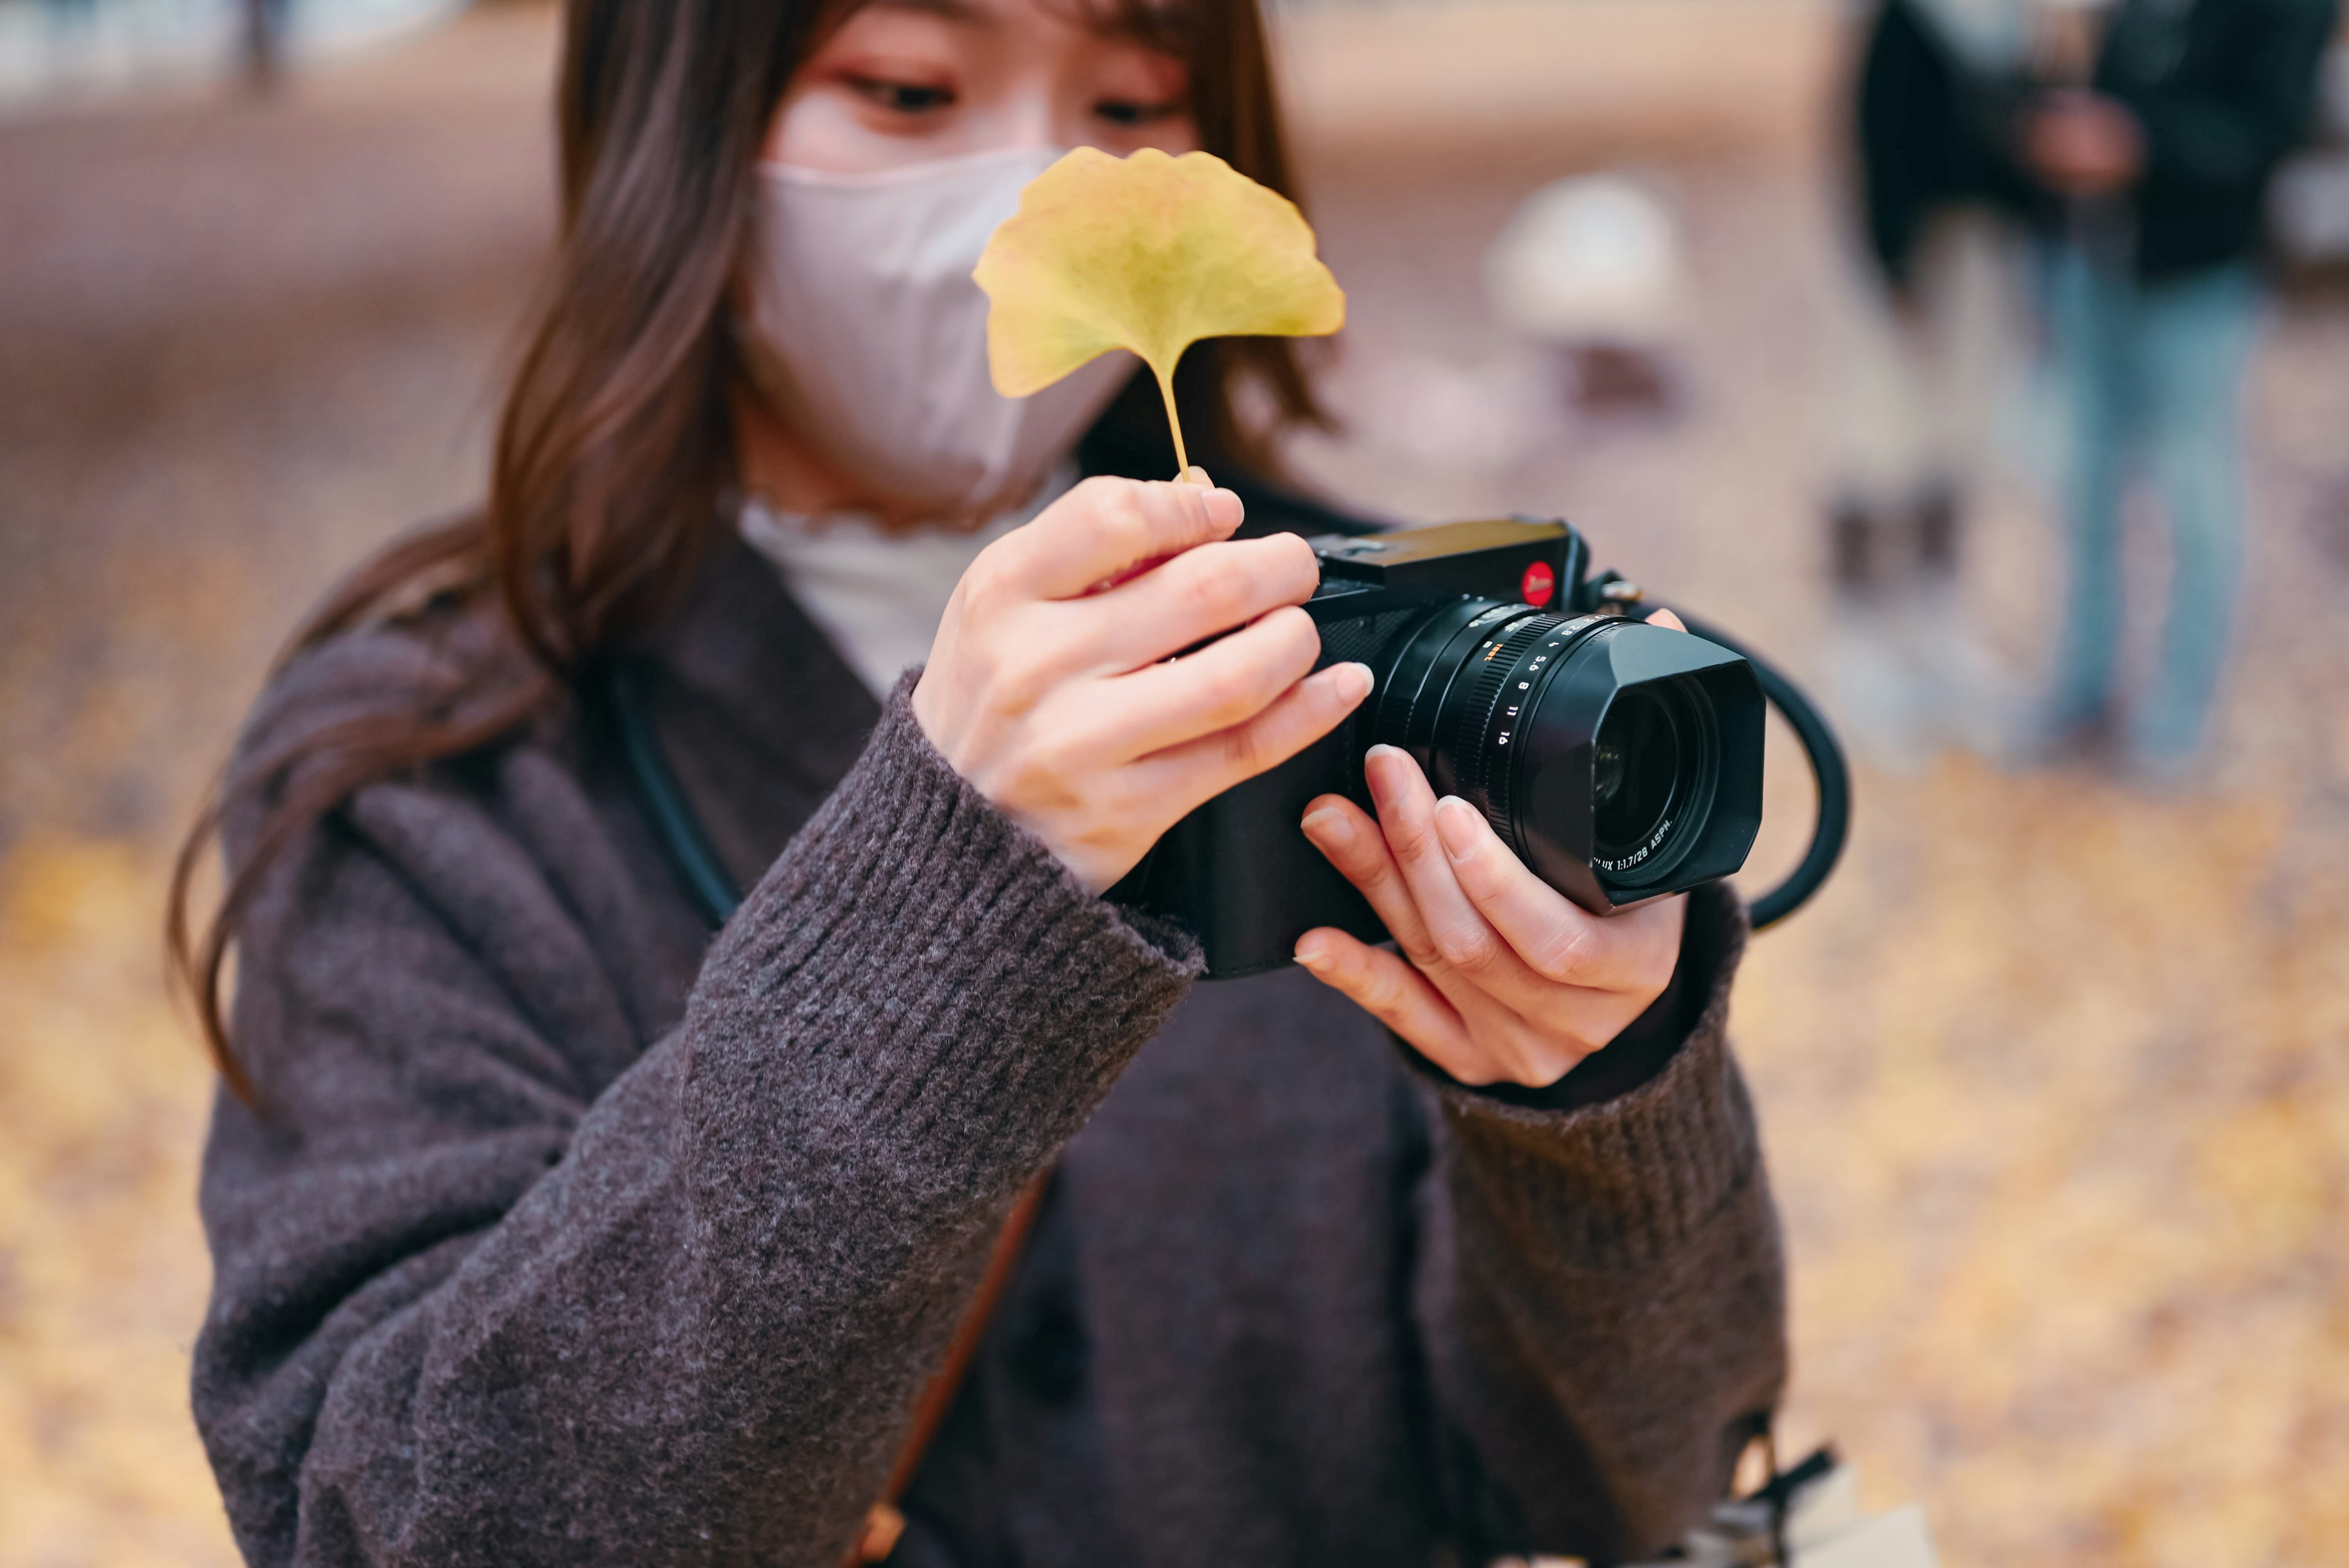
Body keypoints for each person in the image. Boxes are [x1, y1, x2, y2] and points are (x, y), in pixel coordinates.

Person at [169, 0, 1785, 1562]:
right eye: (909, 91)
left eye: (1135, 106)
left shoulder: (1342, 647)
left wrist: (1599, 1098)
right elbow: (411, 1525)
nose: (1035, 188)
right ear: (681, 138)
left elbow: (1626, 1488)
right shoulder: (438, 779)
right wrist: (943, 904)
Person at [2024, 0, 2338, 774]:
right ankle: (2081, 690)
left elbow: (2271, 133)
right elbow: (2103, 77)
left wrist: (2139, 146)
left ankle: (2179, 716)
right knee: (2086, 481)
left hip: (2203, 274)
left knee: (2197, 492)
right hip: (2096, 258)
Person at [1829, 0, 2041, 765]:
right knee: (1877, 446)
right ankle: (1862, 640)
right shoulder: (1902, 17)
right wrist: (1893, 267)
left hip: (1986, 257)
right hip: (1913, 261)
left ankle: (1938, 625)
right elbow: (1872, 135)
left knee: (1958, 446)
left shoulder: (2012, 19)